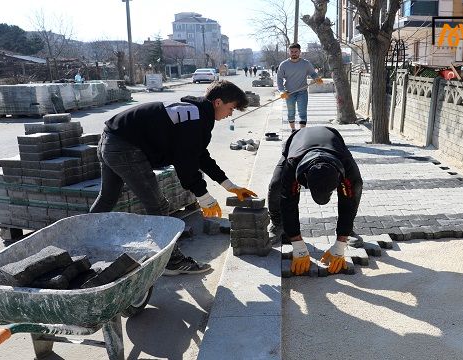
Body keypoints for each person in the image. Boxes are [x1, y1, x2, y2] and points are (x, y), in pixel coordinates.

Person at [90, 80, 257, 275]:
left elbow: (200, 155)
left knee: (107, 197)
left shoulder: (196, 113)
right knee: (158, 206)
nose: (230, 114)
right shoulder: (196, 119)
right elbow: (185, 163)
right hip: (125, 148)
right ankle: (172, 261)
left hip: (110, 140)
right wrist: (203, 196)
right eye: (231, 108)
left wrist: (229, 185)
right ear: (218, 102)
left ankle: (85, 241)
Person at [267, 126, 363, 275]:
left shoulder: (347, 166)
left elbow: (349, 203)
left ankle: (348, 230)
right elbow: (288, 203)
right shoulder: (293, 164)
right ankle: (277, 223)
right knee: (276, 186)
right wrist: (297, 245)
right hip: (298, 142)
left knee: (353, 193)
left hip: (333, 142)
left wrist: (340, 244)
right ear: (304, 179)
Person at [277, 43, 323, 132]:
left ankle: (302, 132)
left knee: (302, 113)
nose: (294, 53)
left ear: (300, 52)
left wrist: (316, 78)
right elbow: (279, 79)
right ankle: (293, 130)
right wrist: (281, 91)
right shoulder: (283, 65)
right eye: (292, 51)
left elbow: (313, 73)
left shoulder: (306, 63)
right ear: (289, 52)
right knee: (291, 113)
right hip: (289, 93)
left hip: (302, 92)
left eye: (296, 51)